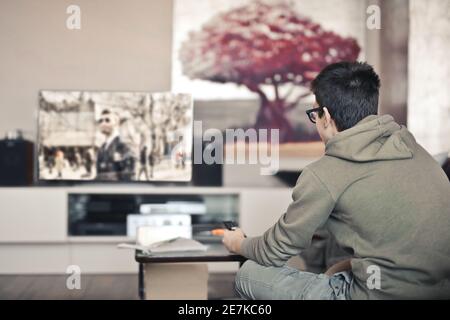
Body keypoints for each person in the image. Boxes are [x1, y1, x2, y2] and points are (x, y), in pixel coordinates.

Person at [223, 62, 450, 300]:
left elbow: (274, 251)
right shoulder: (411, 146)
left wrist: (239, 243)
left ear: (326, 117)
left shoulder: (325, 173)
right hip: (438, 290)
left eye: (314, 114)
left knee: (248, 275)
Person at [95, 109, 135, 181]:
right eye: (100, 121)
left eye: (107, 120)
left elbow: (129, 178)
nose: (103, 123)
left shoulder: (124, 145)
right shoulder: (101, 148)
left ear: (116, 122)